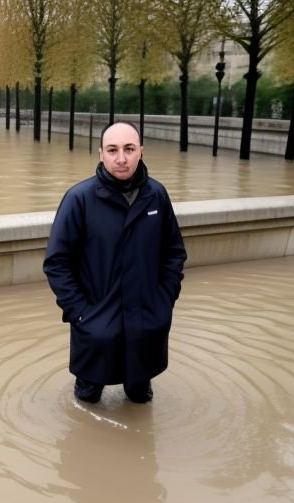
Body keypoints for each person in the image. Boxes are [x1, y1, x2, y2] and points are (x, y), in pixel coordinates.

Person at [43, 121, 187, 404]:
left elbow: (174, 253)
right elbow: (57, 263)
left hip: (146, 322)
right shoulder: (79, 199)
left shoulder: (157, 195)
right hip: (97, 325)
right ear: (101, 154)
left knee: (140, 399)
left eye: (129, 149)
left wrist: (164, 301)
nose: (121, 158)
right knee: (87, 401)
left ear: (141, 152)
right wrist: (81, 314)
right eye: (113, 150)